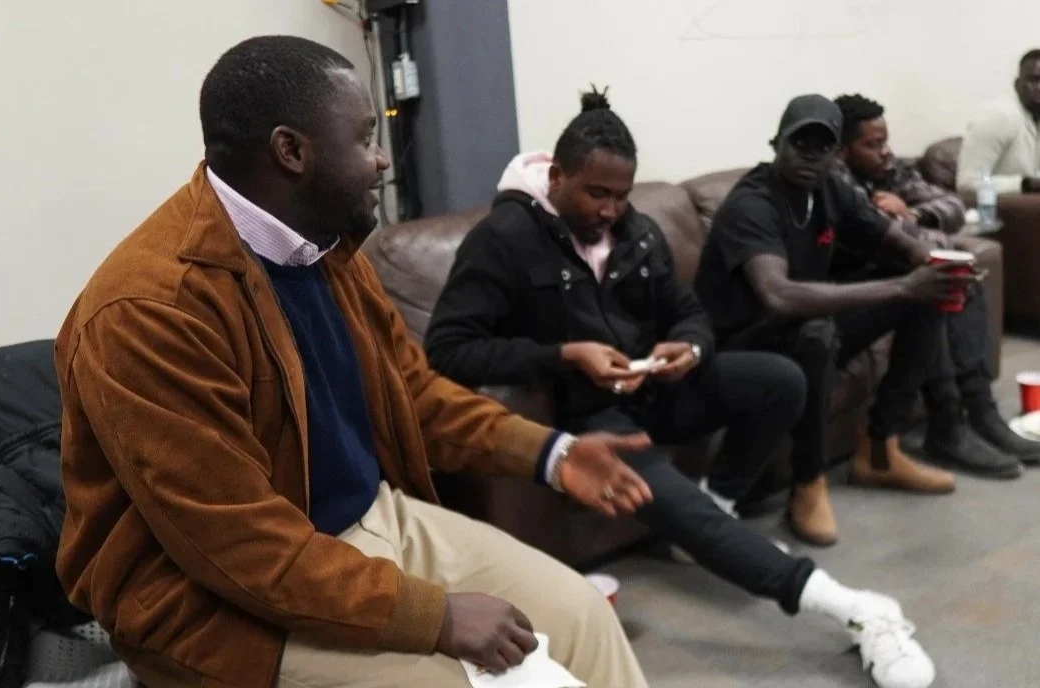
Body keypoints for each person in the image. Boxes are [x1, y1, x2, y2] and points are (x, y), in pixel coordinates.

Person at [54, 37, 655, 688]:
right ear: (291, 150)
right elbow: (237, 545)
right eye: (365, 136)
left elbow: (415, 396)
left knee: (580, 616)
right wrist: (433, 616)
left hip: (373, 520)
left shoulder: (326, 249)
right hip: (210, 599)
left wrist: (555, 453)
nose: (378, 161)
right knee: (456, 682)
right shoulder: (150, 307)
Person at [425, 87, 936, 688]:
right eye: (596, 194)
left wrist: (688, 347)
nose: (610, 210)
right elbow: (448, 348)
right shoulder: (504, 238)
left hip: (659, 388)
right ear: (557, 176)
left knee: (782, 379)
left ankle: (717, 503)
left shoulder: (635, 230)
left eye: (621, 196)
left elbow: (687, 311)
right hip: (593, 417)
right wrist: (565, 355)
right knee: (679, 502)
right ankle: (854, 609)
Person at [695, 94, 981, 542]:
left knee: (926, 294)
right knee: (818, 330)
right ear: (776, 143)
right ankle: (808, 483)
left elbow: (896, 239)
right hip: (741, 345)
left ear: (836, 153)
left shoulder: (830, 189)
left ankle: (880, 450)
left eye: (822, 146)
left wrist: (938, 263)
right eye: (799, 143)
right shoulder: (752, 204)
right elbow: (779, 296)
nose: (810, 155)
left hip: (797, 330)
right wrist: (902, 285)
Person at [833, 93, 1039, 469]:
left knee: (961, 275)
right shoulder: (834, 183)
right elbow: (876, 239)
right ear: (843, 150)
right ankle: (945, 425)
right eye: (872, 145)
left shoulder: (888, 170)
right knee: (935, 285)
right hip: (852, 289)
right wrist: (913, 228)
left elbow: (952, 206)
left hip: (892, 273)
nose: (885, 153)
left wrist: (910, 211)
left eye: (886, 142)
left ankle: (979, 410)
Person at [957, 49, 1040, 195]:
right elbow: (967, 184)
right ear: (1017, 85)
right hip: (996, 211)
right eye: (1034, 80)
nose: (1039, 87)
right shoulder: (999, 116)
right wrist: (1026, 184)